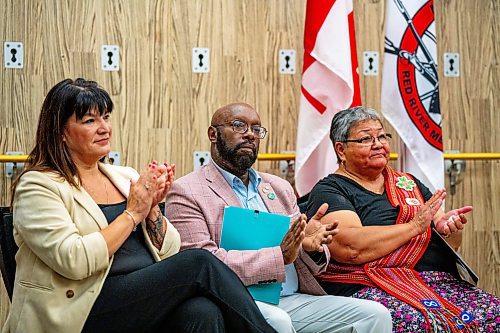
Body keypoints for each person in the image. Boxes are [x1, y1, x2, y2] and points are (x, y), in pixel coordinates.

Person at [3, 79, 277, 333]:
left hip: (139, 297)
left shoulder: (125, 176)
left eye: (106, 117)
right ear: (61, 132)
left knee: (202, 312)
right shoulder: (38, 185)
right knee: (200, 263)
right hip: (81, 307)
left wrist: (152, 209)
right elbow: (74, 260)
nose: (104, 128)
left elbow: (169, 250)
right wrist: (133, 213)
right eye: (90, 120)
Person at [165, 102, 393, 333]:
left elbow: (302, 256)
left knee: (374, 315)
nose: (250, 135)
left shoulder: (278, 187)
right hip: (235, 298)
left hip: (291, 297)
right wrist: (279, 256)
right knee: (279, 321)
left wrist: (309, 245)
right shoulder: (187, 191)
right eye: (239, 126)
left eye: (256, 129)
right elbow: (203, 267)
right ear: (213, 134)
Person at [305, 106, 500, 332]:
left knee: (494, 313)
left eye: (382, 136)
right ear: (341, 149)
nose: (378, 143)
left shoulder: (408, 183)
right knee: (418, 322)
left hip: (437, 282)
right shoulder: (330, 189)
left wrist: (449, 228)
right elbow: (350, 247)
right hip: (372, 284)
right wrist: (414, 227)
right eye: (366, 138)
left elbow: (449, 242)